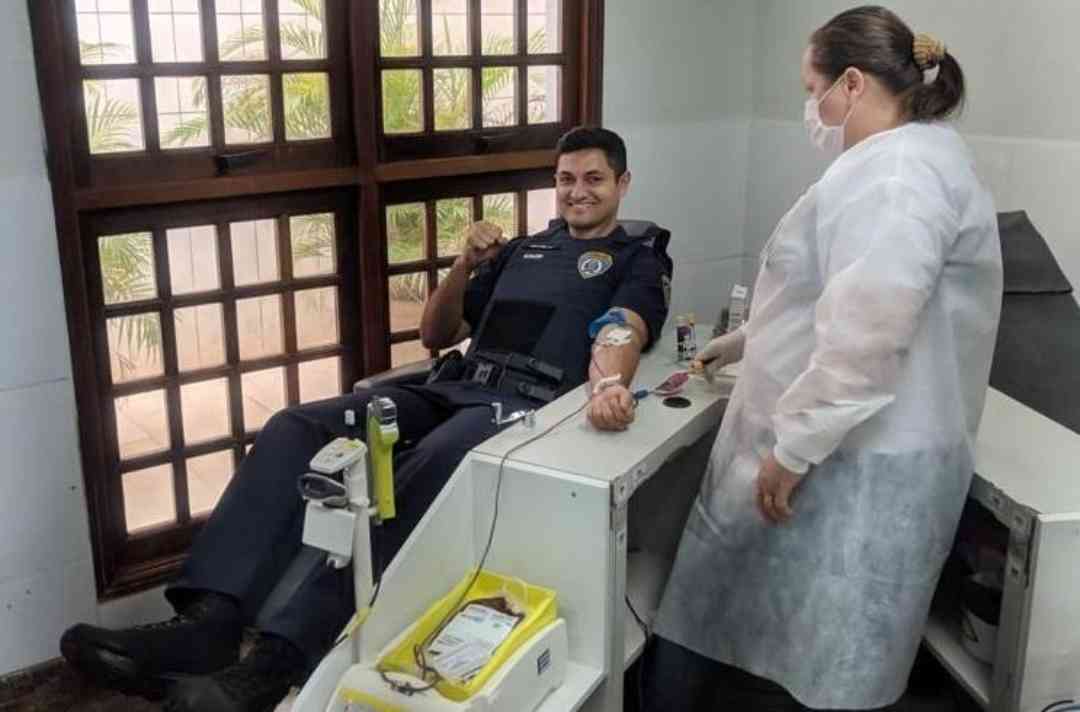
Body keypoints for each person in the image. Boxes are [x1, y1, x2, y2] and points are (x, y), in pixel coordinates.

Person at [60, 127, 671, 712]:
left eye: (594, 178)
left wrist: (609, 382)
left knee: (418, 467)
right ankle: (210, 620)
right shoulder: (524, 249)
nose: (577, 191)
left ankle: (273, 662)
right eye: (565, 179)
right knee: (295, 426)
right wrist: (465, 265)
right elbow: (438, 333)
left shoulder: (636, 256)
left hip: (521, 409)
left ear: (623, 183)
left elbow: (623, 326)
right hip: (450, 387)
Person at [645, 6, 1002, 711]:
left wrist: (793, 447)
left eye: (811, 92)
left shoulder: (897, 175)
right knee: (776, 632)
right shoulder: (903, 159)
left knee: (828, 653)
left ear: (850, 83)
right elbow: (839, 294)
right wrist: (747, 340)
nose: (810, 109)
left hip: (858, 460)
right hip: (851, 442)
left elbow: (871, 333)